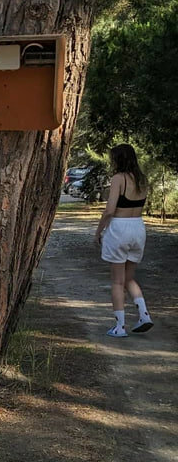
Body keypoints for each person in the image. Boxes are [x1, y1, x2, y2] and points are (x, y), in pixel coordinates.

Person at [94, 144, 153, 337]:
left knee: (117, 281)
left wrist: (98, 231)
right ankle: (144, 315)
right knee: (129, 278)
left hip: (120, 227)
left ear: (118, 159)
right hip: (138, 227)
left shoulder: (119, 179)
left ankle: (119, 327)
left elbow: (110, 210)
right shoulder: (142, 179)